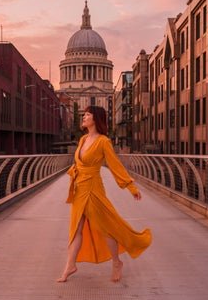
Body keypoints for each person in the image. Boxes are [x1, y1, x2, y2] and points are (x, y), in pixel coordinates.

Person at [57, 106, 151, 282]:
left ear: (96, 119)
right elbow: (79, 163)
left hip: (93, 189)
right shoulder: (83, 139)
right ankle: (70, 266)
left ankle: (116, 263)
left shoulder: (103, 141)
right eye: (84, 114)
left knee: (106, 227)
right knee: (76, 229)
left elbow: (115, 165)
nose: (83, 117)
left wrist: (131, 187)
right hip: (79, 190)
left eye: (87, 114)